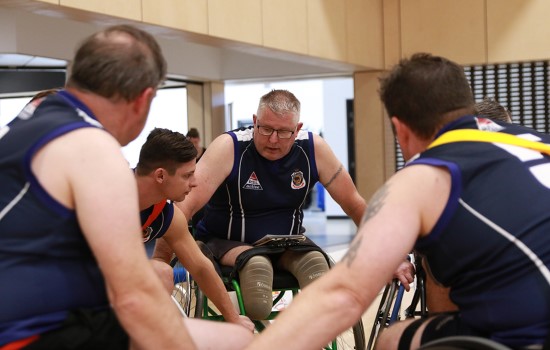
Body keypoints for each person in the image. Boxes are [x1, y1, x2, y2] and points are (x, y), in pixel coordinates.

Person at [243, 53, 550, 350]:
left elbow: (344, 294)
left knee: (392, 339)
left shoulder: (424, 176)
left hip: (529, 335)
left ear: (400, 129)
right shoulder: (535, 141)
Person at [0, 25, 252, 350]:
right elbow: (134, 300)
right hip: (31, 333)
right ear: (143, 99)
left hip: (38, 314)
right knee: (236, 342)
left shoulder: (29, 119)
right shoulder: (95, 148)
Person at [170, 89, 414, 321]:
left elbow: (354, 204)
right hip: (227, 242)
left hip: (287, 242)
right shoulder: (229, 147)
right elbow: (182, 208)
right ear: (255, 121)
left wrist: (391, 256)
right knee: (256, 274)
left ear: (297, 129)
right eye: (265, 129)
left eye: (284, 132)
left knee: (319, 270)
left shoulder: (314, 149)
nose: (273, 139)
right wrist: (162, 263)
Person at [135, 127, 254, 332]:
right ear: (161, 176)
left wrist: (233, 318)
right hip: (75, 284)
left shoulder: (165, 213)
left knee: (162, 272)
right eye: (188, 175)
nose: (195, 182)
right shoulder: (110, 197)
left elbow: (200, 267)